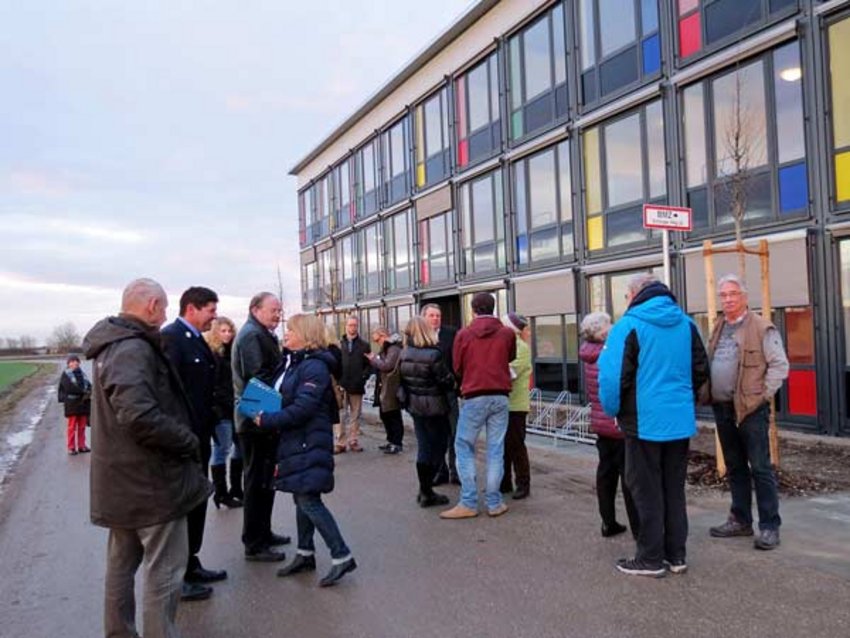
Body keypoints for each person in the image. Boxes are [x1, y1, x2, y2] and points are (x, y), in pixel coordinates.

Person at [82, 278, 211, 638]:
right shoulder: (132, 349)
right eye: (165, 307)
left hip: (122, 483)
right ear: (152, 305)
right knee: (164, 573)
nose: (166, 314)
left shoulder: (113, 345)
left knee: (121, 568)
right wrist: (187, 440)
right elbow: (138, 415)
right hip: (149, 484)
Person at [598, 273, 709, 577]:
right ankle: (676, 555)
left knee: (644, 490)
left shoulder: (628, 326)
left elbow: (611, 379)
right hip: (678, 420)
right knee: (673, 489)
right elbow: (701, 369)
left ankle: (649, 558)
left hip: (643, 421)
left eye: (625, 296)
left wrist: (614, 411)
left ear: (634, 294)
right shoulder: (687, 324)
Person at [257, 314, 357, 587]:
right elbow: (283, 395)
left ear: (305, 334)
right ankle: (305, 553)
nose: (285, 334)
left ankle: (341, 555)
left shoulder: (314, 366)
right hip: (294, 440)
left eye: (290, 330)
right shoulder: (292, 362)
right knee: (301, 497)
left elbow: (304, 408)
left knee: (308, 500)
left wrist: (267, 419)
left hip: (307, 440)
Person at [707, 273, 789, 551]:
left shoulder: (762, 327)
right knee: (735, 467)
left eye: (733, 294)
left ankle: (769, 526)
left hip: (751, 409)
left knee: (761, 468)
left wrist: (762, 396)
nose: (728, 299)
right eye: (724, 295)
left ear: (744, 296)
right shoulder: (718, 326)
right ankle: (740, 520)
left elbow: (780, 366)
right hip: (723, 407)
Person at [161, 286, 227, 601]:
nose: (214, 318)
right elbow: (170, 393)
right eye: (210, 311)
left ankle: (191, 561)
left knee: (198, 500)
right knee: (185, 504)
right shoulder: (172, 338)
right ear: (192, 308)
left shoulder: (195, 339)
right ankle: (179, 576)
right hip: (185, 437)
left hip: (199, 434)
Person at [441, 292, 516, 520]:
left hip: (474, 395)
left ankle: (469, 501)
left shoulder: (464, 334)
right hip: (501, 395)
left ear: (473, 310)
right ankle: (494, 503)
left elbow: (457, 366)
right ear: (493, 308)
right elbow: (509, 357)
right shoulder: (506, 333)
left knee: (464, 446)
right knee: (496, 449)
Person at [232, 292, 290, 562]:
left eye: (280, 310)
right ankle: (254, 543)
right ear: (255, 309)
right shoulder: (251, 335)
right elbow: (260, 378)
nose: (278, 315)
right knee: (256, 481)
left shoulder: (261, 333)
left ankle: (263, 533)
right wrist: (286, 401)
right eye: (273, 310)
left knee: (266, 480)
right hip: (254, 420)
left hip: (263, 417)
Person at [579, 311, 638, 538]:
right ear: (603, 331)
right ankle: (638, 528)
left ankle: (608, 521)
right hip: (617, 422)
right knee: (629, 476)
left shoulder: (588, 354)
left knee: (606, 472)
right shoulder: (610, 353)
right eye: (609, 324)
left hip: (600, 422)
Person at [398, 316, 456, 508]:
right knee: (439, 447)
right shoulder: (433, 354)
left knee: (423, 447)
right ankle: (427, 490)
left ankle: (424, 490)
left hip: (416, 406)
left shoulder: (404, 353)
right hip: (436, 407)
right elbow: (446, 380)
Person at [204, 316, 243, 509]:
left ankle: (236, 488)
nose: (227, 334)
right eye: (223, 331)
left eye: (230, 331)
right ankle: (221, 493)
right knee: (221, 450)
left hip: (236, 407)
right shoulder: (212, 355)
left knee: (240, 447)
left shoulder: (233, 352)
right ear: (215, 333)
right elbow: (213, 386)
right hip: (221, 410)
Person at [421, 303, 459, 485]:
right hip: (429, 394)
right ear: (424, 318)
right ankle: (440, 470)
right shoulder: (419, 337)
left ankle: (455, 470)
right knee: (435, 435)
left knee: (454, 432)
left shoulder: (451, 334)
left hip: (449, 392)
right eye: (432, 315)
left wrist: (456, 382)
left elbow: (457, 360)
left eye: (438, 315)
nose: (436, 318)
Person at [500, 312, 532, 500]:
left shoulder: (520, 347)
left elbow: (510, 372)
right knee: (503, 446)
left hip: (516, 405)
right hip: (505, 403)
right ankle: (504, 483)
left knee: (516, 446)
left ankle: (523, 483)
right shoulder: (508, 344)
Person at [335, 316, 371, 454]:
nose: (352, 328)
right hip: (341, 385)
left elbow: (369, 365)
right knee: (340, 414)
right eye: (350, 325)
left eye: (355, 325)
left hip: (357, 385)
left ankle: (353, 440)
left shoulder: (364, 345)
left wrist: (363, 377)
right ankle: (340, 442)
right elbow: (335, 364)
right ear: (346, 326)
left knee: (355, 414)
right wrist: (337, 382)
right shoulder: (339, 345)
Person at [367, 326, 404, 454]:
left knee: (393, 415)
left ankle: (397, 442)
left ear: (383, 336)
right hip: (385, 385)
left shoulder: (393, 348)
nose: (377, 343)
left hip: (391, 386)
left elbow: (387, 365)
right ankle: (391, 440)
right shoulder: (387, 348)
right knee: (385, 414)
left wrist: (373, 360)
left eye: (378, 340)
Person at [57, 353, 91, 455]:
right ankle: (71, 447)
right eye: (72, 361)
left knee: (82, 426)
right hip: (72, 404)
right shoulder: (66, 375)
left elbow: (89, 386)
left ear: (79, 363)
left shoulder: (82, 374)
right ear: (68, 364)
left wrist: (89, 391)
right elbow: (69, 388)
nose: (74, 363)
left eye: (76, 361)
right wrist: (84, 392)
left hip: (83, 404)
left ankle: (82, 446)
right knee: (72, 427)